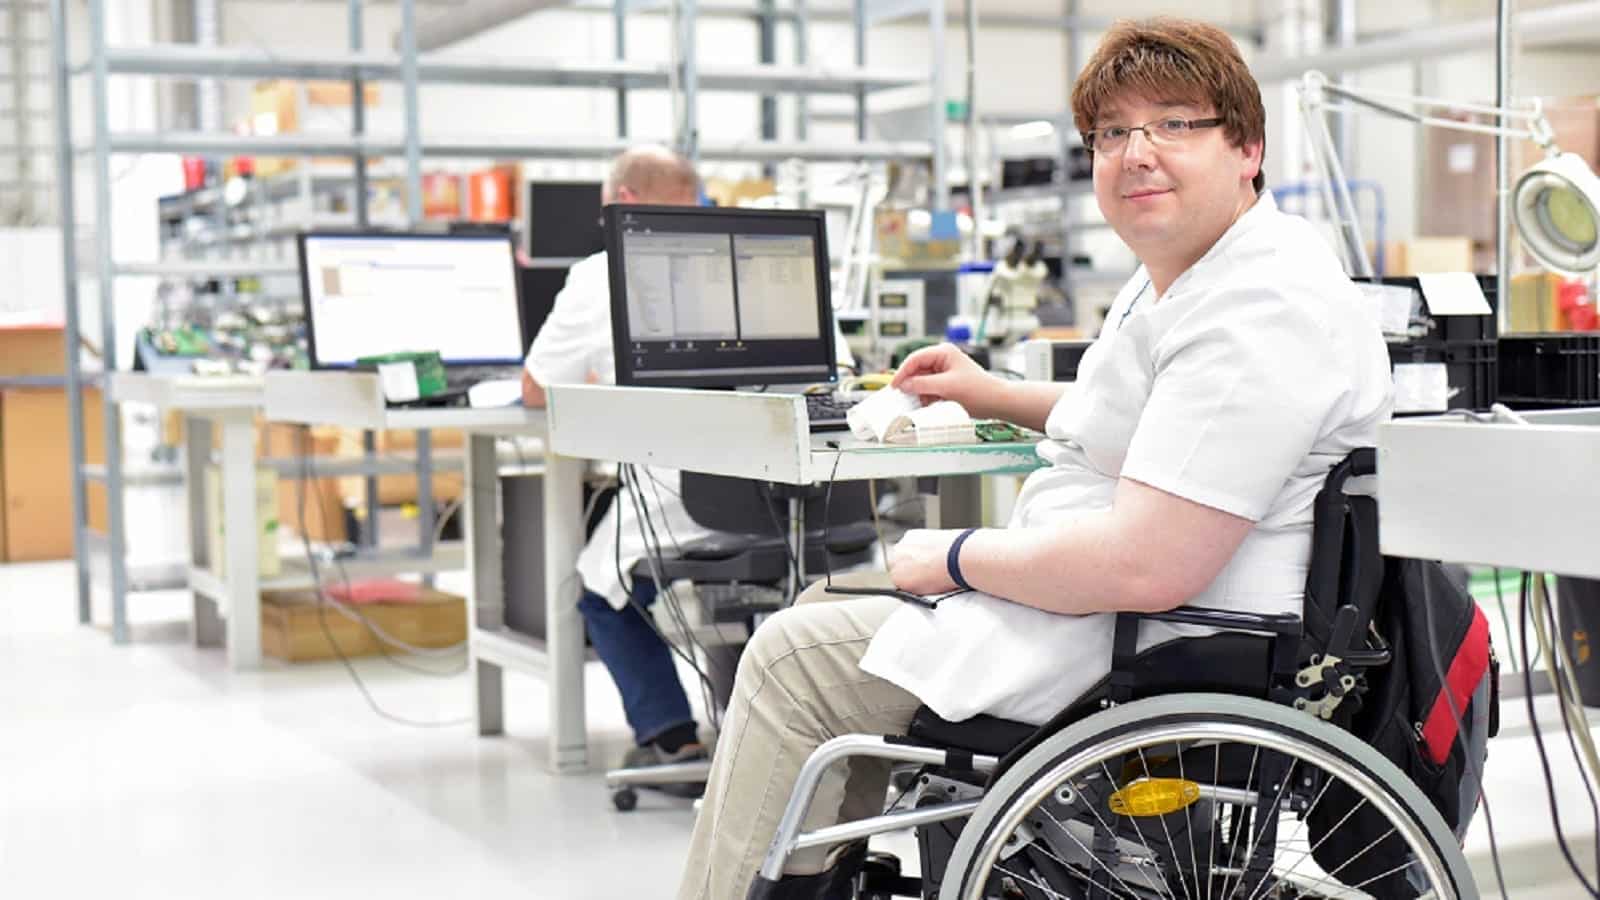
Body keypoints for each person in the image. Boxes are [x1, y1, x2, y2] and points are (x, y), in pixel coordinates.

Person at [676, 16, 1395, 900]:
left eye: (1173, 124)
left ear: (1247, 147)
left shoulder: (1257, 311)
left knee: (790, 660)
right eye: (1112, 133)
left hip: (1158, 641)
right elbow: (1141, 421)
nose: (1136, 154)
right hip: (1127, 614)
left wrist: (953, 556)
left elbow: (1148, 564)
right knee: (827, 607)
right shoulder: (1196, 272)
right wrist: (991, 392)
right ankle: (809, 875)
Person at [522, 146, 714, 769]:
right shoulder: (746, 261)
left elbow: (536, 389)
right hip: (795, 502)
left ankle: (673, 737)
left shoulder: (598, 275)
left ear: (622, 200)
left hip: (684, 497)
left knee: (598, 589)